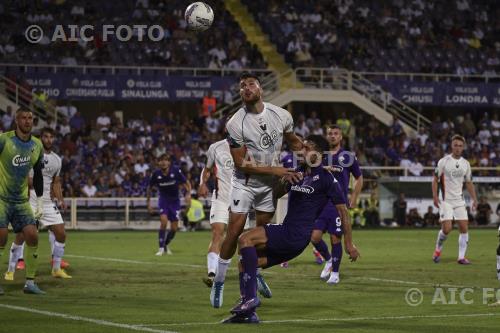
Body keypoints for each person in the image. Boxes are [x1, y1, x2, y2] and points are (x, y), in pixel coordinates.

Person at [221, 135, 360, 323]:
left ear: (318, 153)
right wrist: (285, 181)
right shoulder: (298, 171)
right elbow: (276, 195)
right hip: (291, 235)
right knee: (245, 264)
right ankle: (248, 315)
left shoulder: (327, 179)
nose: (301, 151)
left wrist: (349, 244)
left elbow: (344, 213)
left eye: (306, 148)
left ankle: (250, 299)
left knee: (245, 239)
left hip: (296, 234)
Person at [210, 72, 303, 308]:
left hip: (267, 187)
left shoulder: (281, 114)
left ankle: (253, 271)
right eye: (242, 86)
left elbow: (294, 142)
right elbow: (240, 163)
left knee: (260, 235)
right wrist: (277, 171)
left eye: (251, 84)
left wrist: (313, 157)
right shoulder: (234, 123)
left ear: (260, 89)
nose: (246, 88)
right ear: (240, 93)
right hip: (245, 184)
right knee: (235, 231)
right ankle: (219, 281)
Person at [5, 127, 71, 281]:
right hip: (31, 199)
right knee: (22, 235)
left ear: (53, 139)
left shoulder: (56, 159)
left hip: (47, 202)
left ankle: (56, 269)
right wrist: (34, 185)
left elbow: (56, 182)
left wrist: (60, 199)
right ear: (40, 138)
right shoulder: (29, 154)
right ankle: (10, 270)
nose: (48, 140)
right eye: (45, 137)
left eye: (51, 137)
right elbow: (22, 177)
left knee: (61, 234)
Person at [0, 107, 45, 295]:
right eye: (23, 118)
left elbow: (38, 175)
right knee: (1, 238)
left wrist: (40, 202)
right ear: (16, 120)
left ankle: (30, 283)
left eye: (30, 118)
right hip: (1, 199)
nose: (27, 121)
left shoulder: (37, 144)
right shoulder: (4, 139)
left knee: (33, 236)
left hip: (21, 201)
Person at [311, 124, 363, 285]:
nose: (332, 136)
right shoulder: (320, 156)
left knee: (335, 238)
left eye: (335, 133)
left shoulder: (348, 156)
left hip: (337, 204)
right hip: (321, 203)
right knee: (314, 237)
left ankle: (335, 273)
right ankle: (328, 259)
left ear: (341, 137)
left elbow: (359, 178)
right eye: (330, 133)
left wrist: (354, 197)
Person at [432, 135, 478, 264]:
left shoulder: (466, 164)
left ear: (463, 147)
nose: (458, 148)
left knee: (464, 228)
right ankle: (437, 251)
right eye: (455, 145)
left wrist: (474, 199)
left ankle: (461, 257)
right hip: (445, 200)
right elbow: (435, 180)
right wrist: (435, 196)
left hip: (459, 200)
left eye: (460, 146)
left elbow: (469, 183)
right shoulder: (443, 161)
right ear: (451, 146)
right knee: (447, 229)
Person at [198, 139, 234, 286]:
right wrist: (202, 183)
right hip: (220, 197)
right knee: (217, 233)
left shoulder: (251, 145)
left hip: (241, 200)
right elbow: (207, 169)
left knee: (235, 237)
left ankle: (249, 272)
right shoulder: (216, 147)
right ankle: (212, 273)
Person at [147, 154, 191, 256]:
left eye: (165, 160)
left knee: (174, 228)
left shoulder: (175, 171)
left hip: (175, 201)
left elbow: (186, 183)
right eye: (161, 160)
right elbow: (149, 188)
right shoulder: (155, 174)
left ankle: (165, 244)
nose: (163, 162)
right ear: (158, 163)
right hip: (163, 200)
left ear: (169, 162)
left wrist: (188, 194)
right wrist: (148, 204)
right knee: (163, 221)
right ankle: (161, 248)